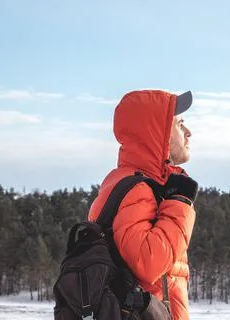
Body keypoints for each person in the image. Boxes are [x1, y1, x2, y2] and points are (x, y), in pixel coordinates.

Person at [87, 89, 198, 320]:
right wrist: (180, 202)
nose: (189, 133)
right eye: (180, 124)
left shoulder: (139, 184)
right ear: (158, 133)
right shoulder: (137, 189)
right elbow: (148, 263)